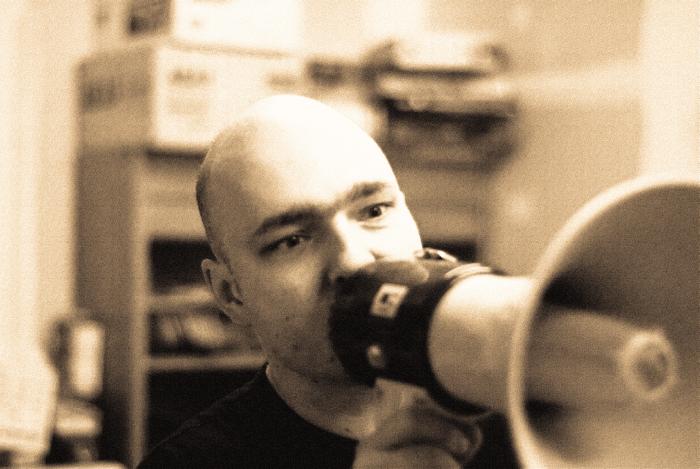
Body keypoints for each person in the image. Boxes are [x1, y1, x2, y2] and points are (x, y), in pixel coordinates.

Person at [138, 95, 517, 468]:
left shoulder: (514, 414)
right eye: (291, 240)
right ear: (231, 294)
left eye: (374, 211)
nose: (353, 260)